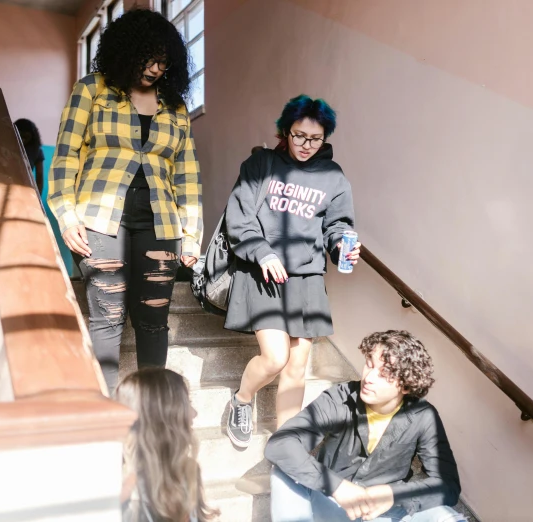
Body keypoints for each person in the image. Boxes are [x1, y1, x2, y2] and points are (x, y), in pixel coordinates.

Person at [48, 9, 202, 393]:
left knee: (153, 319)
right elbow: (66, 154)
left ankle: (153, 415)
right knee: (108, 318)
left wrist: (192, 234)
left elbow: (188, 175)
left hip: (161, 224)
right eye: (148, 58)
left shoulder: (176, 108)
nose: (155, 68)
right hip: (101, 220)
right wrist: (66, 216)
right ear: (127, 51)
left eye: (163, 61)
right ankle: (108, 417)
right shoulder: (93, 89)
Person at [223, 95, 361, 447]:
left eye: (315, 139)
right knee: (275, 358)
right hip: (263, 272)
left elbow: (337, 225)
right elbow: (239, 218)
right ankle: (241, 400)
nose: (305, 145)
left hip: (308, 277)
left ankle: (286, 443)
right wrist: (262, 252)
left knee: (297, 366)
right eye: (299, 135)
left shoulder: (333, 176)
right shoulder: (261, 164)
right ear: (286, 131)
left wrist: (343, 243)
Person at [265, 330, 466, 522]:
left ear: (405, 385)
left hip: (384, 513)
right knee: (283, 471)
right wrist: (337, 486)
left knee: (444, 516)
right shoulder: (340, 398)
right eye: (369, 365)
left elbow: (447, 485)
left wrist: (392, 495)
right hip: (331, 505)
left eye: (384, 373)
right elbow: (280, 444)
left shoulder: (423, 416)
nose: (368, 378)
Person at [115, 368, 218, 522]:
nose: (194, 413)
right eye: (185, 405)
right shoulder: (127, 502)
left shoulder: (187, 472)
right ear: (162, 419)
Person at [14, 118, 45, 195]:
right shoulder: (7, 147)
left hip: (24, 190)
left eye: (25, 136)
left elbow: (39, 178)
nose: (22, 139)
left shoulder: (37, 151)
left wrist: (38, 198)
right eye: (20, 135)